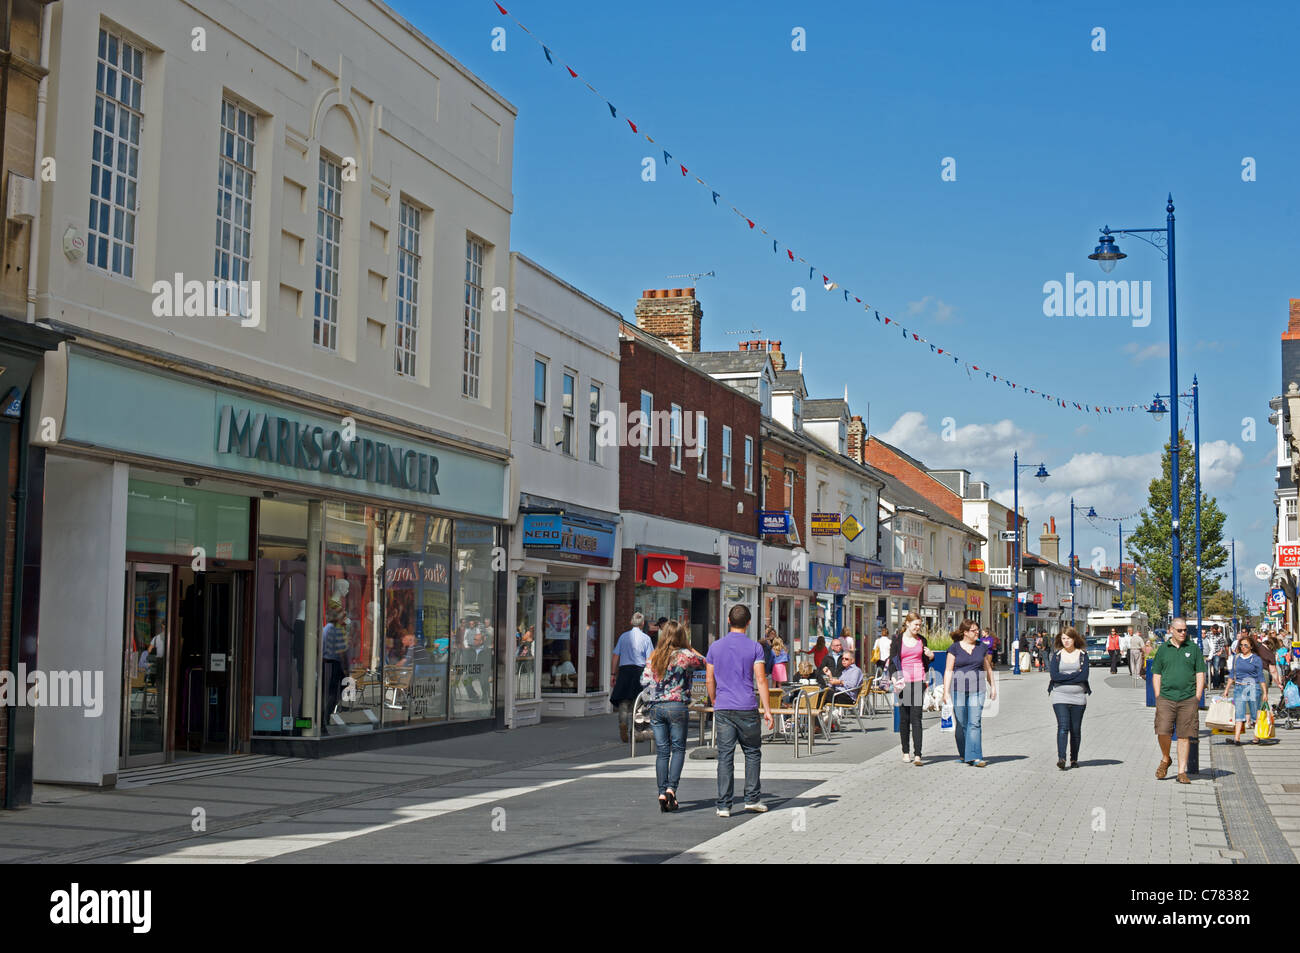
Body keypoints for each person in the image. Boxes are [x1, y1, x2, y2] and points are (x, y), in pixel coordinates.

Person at [706, 604, 773, 817]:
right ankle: (752, 798)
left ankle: (724, 805)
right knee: (752, 753)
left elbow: (709, 678)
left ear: (728, 620)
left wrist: (714, 699)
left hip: (723, 707)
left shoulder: (715, 647)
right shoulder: (755, 648)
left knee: (725, 755)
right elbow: (761, 679)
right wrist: (768, 710)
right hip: (747, 706)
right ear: (749, 622)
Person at [640, 620, 705, 811]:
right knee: (677, 749)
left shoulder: (654, 656)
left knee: (662, 751)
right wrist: (689, 647)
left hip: (656, 708)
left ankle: (661, 791)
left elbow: (644, 681)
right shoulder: (685, 656)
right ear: (681, 637)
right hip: (677, 706)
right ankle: (671, 789)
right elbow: (706, 661)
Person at [1150, 617, 1207, 784]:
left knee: (1184, 735)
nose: (1183, 633)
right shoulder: (1163, 649)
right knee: (1163, 730)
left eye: (1185, 630)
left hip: (1188, 698)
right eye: (1179, 630)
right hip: (1166, 697)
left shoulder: (1193, 648)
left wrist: (1197, 696)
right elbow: (1157, 674)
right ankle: (1166, 758)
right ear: (1171, 630)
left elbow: (1200, 673)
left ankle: (1182, 772)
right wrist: (1158, 695)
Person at [943, 619, 997, 766]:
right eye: (974, 630)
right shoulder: (954, 648)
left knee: (974, 723)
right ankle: (964, 754)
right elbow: (948, 670)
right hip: (958, 689)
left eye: (977, 629)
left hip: (977, 689)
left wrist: (993, 687)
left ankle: (976, 756)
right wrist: (945, 692)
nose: (977, 632)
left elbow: (988, 669)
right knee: (961, 724)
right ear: (965, 633)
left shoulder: (981, 648)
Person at [887, 612, 934, 766]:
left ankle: (918, 754)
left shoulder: (922, 640)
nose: (918, 627)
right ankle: (905, 751)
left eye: (920, 625)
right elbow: (893, 660)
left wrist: (931, 656)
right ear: (907, 623)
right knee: (905, 718)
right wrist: (893, 677)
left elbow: (926, 661)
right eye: (916, 624)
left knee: (917, 717)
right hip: (902, 682)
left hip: (918, 680)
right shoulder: (897, 640)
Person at [1048, 626, 1091, 769]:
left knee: (1075, 729)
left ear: (1074, 639)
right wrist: (1074, 676)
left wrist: (1064, 678)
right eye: (1063, 638)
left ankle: (1074, 759)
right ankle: (1062, 758)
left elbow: (1083, 676)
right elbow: (1054, 676)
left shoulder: (1083, 655)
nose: (1066, 641)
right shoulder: (1057, 655)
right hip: (1060, 696)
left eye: (1068, 638)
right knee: (1063, 727)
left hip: (1079, 697)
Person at [610, 613, 653, 743]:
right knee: (638, 702)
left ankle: (623, 724)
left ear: (630, 622)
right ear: (643, 624)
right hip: (639, 671)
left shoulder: (623, 637)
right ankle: (636, 731)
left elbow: (616, 656)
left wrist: (613, 674)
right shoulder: (646, 638)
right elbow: (650, 659)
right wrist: (650, 676)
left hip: (624, 671)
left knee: (623, 702)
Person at [1224, 632, 1269, 745]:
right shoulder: (1237, 658)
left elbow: (1260, 676)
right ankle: (1237, 738)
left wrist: (1265, 692)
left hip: (1253, 687)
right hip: (1239, 687)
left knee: (1255, 713)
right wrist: (1226, 690)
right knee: (1239, 713)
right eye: (1241, 645)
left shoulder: (1256, 659)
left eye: (1246, 645)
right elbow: (1232, 675)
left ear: (1251, 647)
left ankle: (1256, 736)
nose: (1243, 647)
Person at [824, 649, 864, 728]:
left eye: (846, 659)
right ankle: (820, 723)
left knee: (821, 696)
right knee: (820, 692)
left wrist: (839, 682)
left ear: (852, 660)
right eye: (842, 658)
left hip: (848, 697)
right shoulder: (845, 671)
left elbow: (853, 685)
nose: (843, 660)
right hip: (839, 694)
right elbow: (835, 684)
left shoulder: (856, 670)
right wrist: (830, 675)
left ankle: (818, 724)